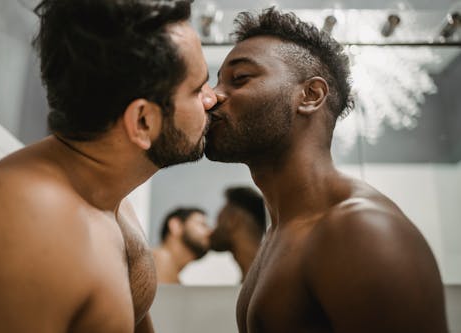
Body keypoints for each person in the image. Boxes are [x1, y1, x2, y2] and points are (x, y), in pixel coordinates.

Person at [0, 0, 217, 332]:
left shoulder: (112, 196)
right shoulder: (19, 229)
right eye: (197, 90)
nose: (212, 98)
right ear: (142, 120)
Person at [205, 7, 448, 333]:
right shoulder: (282, 230)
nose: (212, 97)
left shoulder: (359, 230)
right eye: (217, 82)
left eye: (240, 78)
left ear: (310, 95)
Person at [209, 186, 266, 282]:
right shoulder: (265, 271)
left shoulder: (266, 278)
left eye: (218, 222)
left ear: (233, 220)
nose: (212, 231)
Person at [152, 207, 211, 283]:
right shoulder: (150, 262)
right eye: (202, 225)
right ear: (176, 225)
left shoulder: (176, 282)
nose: (209, 232)